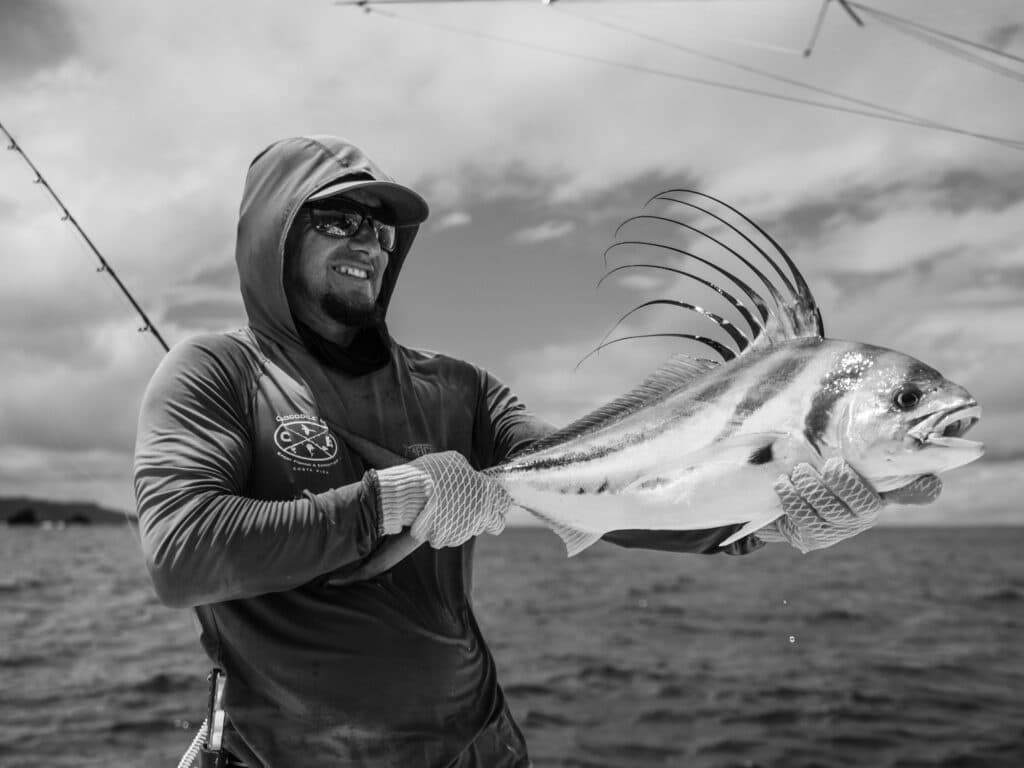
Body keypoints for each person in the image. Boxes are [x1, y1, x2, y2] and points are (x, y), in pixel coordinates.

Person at [133, 135, 941, 768]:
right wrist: (387, 501)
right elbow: (179, 555)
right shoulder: (214, 372)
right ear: (271, 235)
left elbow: (610, 488)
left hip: (476, 746)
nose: (369, 244)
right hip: (285, 755)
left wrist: (762, 520)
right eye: (337, 219)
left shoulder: (460, 389)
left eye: (381, 227)